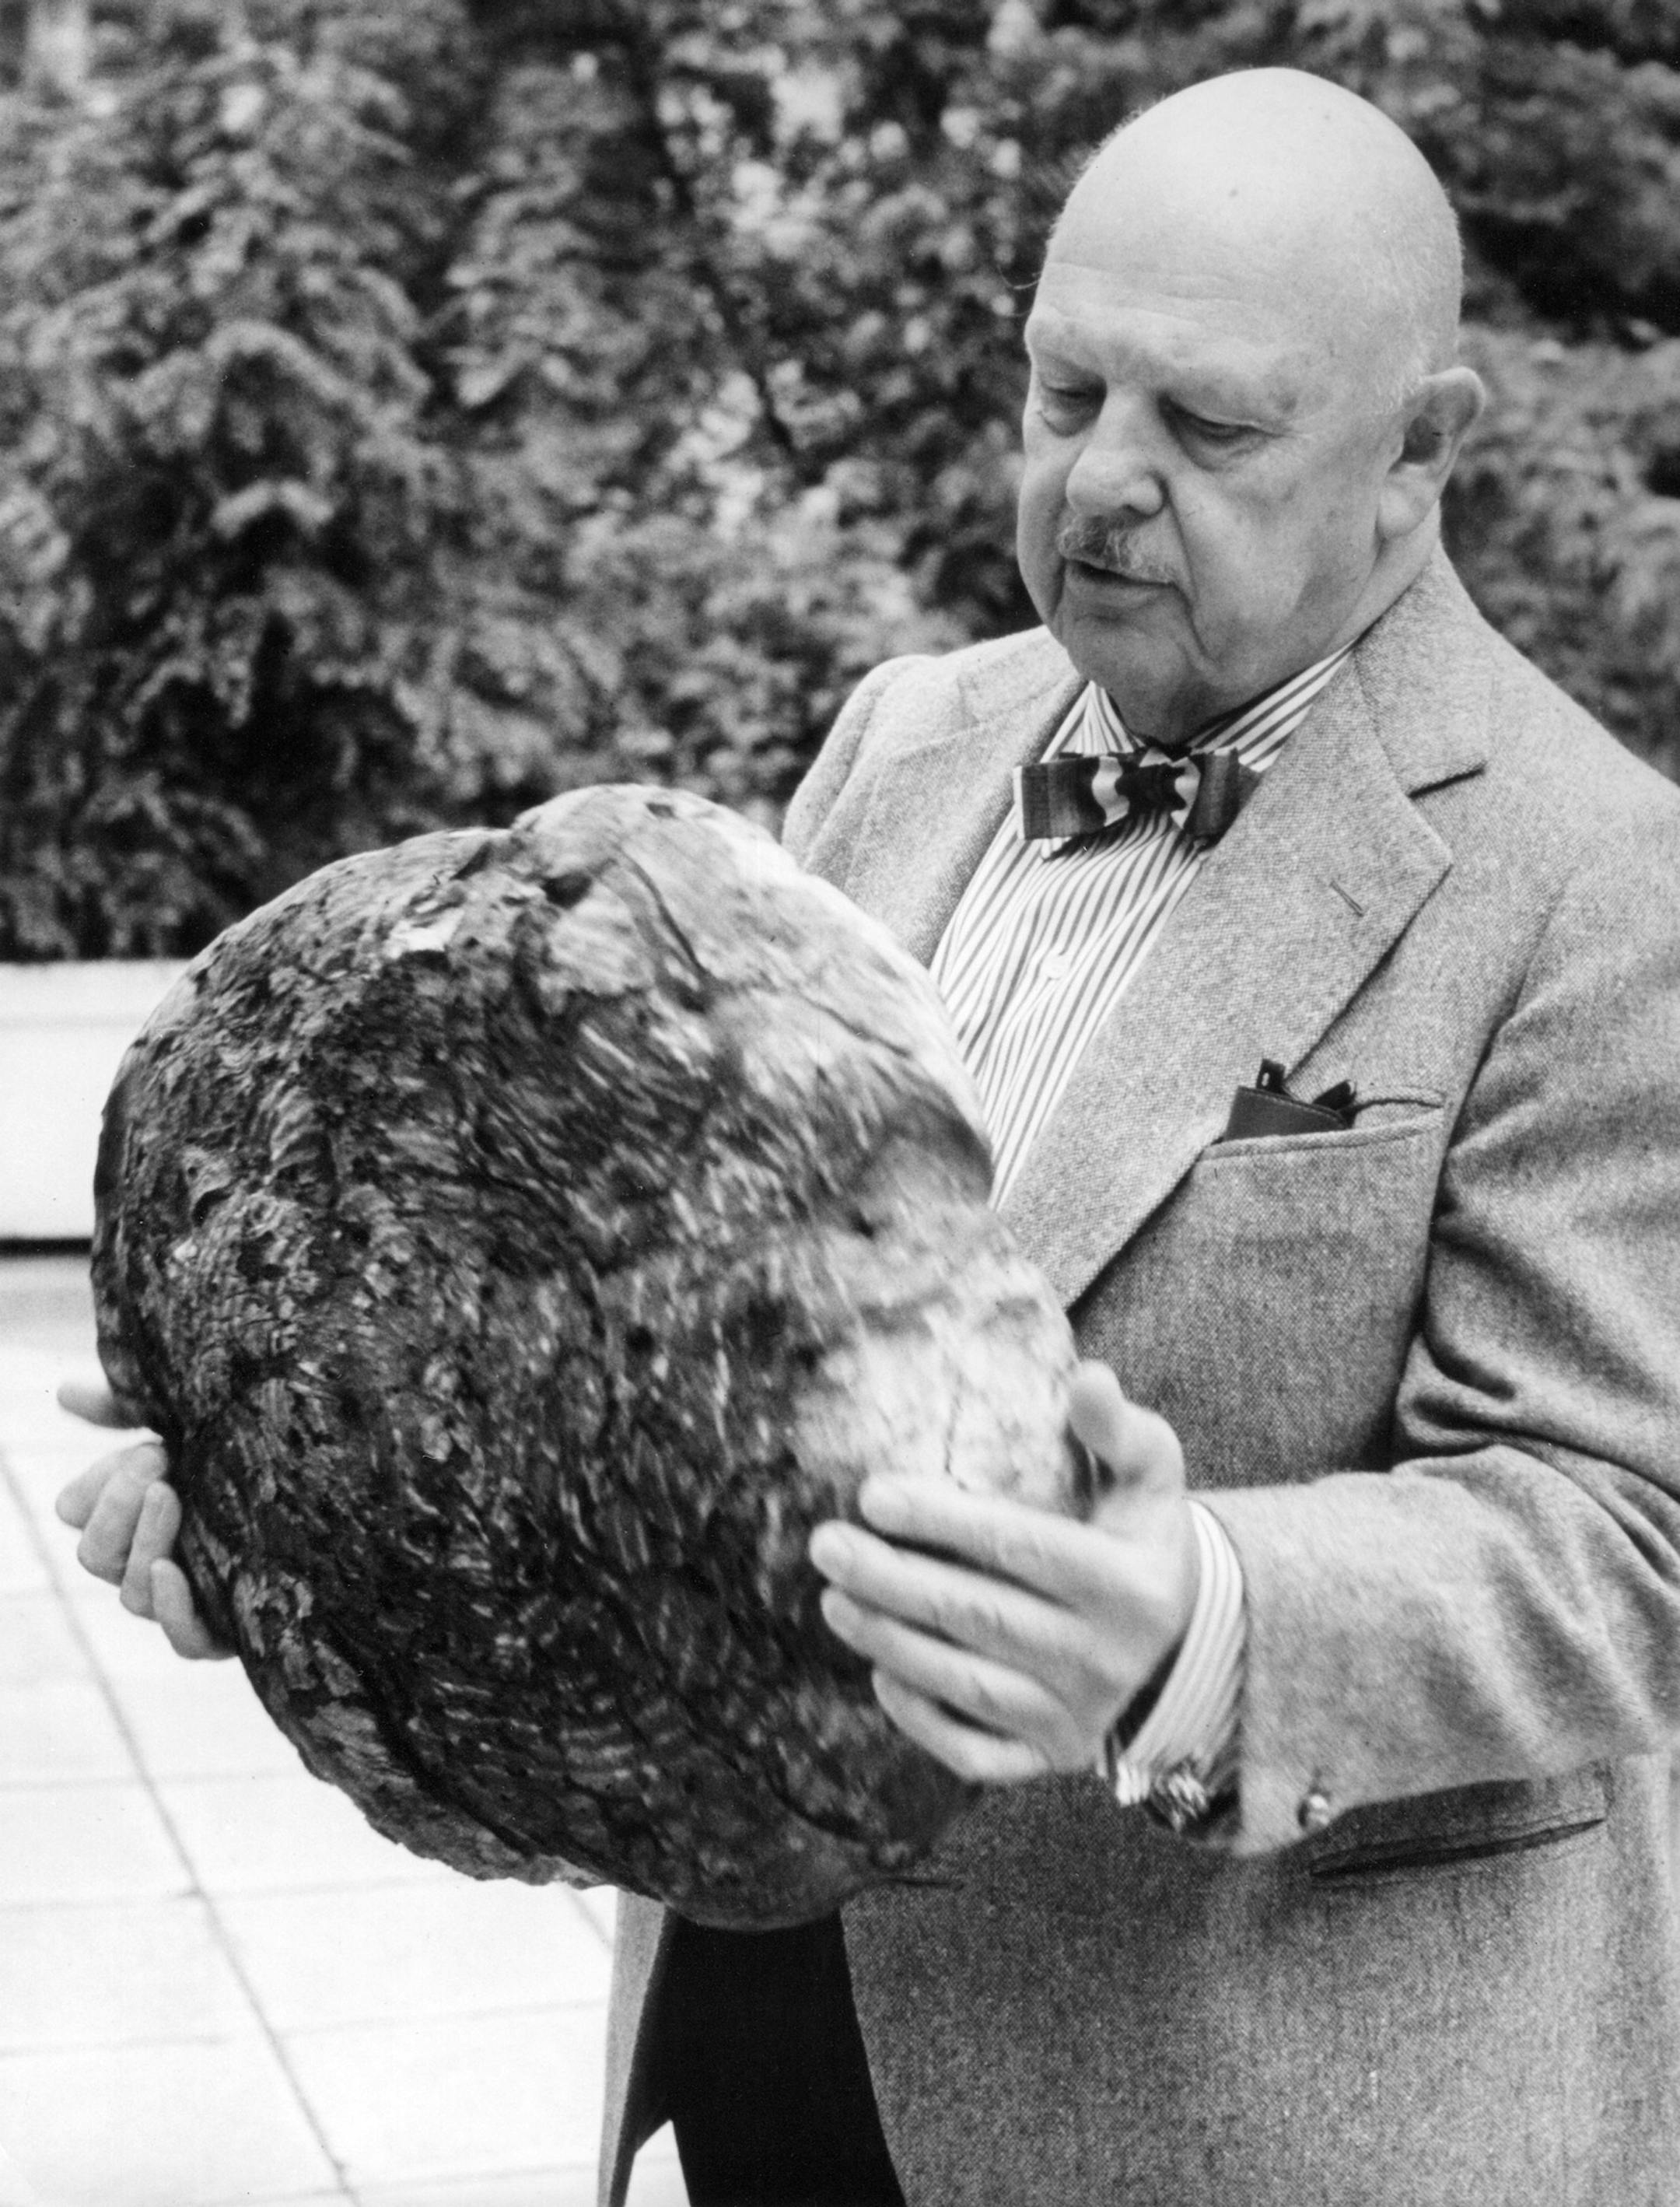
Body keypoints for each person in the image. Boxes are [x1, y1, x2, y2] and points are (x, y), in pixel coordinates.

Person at [59, 66, 1680, 2207]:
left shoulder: (1604, 880)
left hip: (1225, 2112)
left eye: (1204, 427)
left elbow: (1623, 1536)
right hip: (764, 2022)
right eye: (1062, 386)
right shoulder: (903, 740)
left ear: (1422, 454)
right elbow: (668, 1318)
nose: (1102, 479)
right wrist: (320, 1524)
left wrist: (1190, 1611)